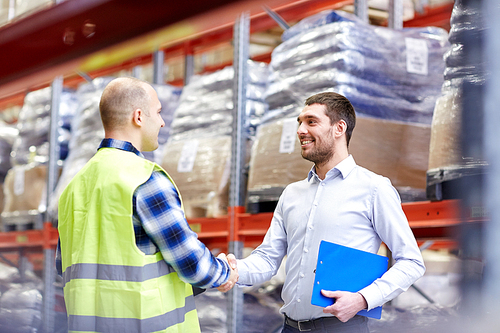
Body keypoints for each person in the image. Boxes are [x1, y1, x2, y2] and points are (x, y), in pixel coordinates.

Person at [223, 91, 425, 332]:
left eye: (311, 121)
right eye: (299, 122)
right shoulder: (292, 193)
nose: (300, 130)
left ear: (339, 128)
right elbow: (268, 259)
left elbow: (411, 261)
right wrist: (232, 271)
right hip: (289, 327)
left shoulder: (373, 189)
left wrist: (363, 299)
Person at [56, 77, 237, 333]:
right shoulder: (146, 179)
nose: (162, 122)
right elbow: (192, 264)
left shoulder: (73, 188)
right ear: (139, 117)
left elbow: (67, 267)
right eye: (159, 112)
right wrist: (224, 272)